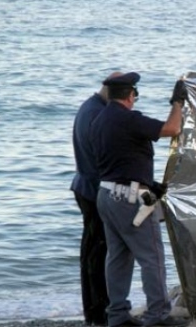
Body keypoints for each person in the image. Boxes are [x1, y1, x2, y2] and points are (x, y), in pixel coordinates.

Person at [90, 72, 189, 327]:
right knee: (152, 257)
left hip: (106, 194)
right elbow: (172, 128)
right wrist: (177, 103)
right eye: (135, 94)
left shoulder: (99, 120)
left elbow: (120, 157)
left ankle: (118, 315)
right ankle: (157, 315)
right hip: (129, 198)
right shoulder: (129, 119)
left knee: (118, 257)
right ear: (130, 96)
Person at [71, 72, 123, 326]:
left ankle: (93, 311)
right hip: (93, 190)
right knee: (98, 252)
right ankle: (99, 311)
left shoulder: (88, 107)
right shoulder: (98, 114)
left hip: (83, 185)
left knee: (91, 251)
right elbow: (104, 158)